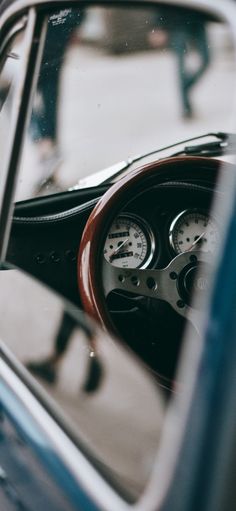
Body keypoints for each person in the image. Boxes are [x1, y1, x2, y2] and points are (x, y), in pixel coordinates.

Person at [30, 8, 85, 191]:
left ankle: (44, 142)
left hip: (33, 32)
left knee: (19, 94)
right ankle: (48, 145)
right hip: (56, 32)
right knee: (50, 94)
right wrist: (75, 24)